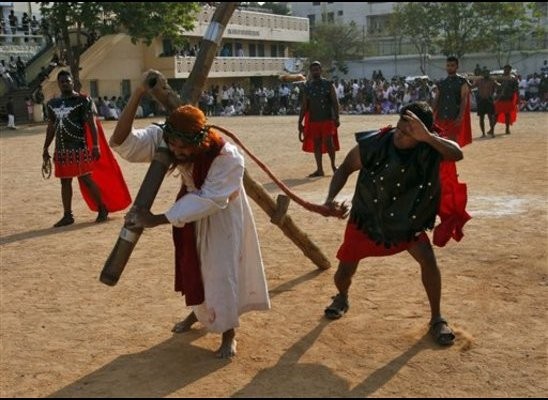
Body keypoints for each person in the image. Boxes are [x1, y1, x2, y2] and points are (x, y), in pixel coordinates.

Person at [109, 75, 271, 359]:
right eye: (174, 147)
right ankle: (198, 314)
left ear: (201, 140)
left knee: (221, 271)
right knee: (192, 266)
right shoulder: (166, 137)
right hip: (187, 212)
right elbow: (122, 142)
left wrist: (157, 219)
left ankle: (228, 333)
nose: (179, 152)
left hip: (222, 217)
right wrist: (136, 94)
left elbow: (210, 200)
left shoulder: (228, 157)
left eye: (185, 149)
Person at [322, 101, 464, 346]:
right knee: (344, 271)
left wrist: (428, 137)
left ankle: (437, 318)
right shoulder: (375, 144)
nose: (400, 135)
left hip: (406, 220)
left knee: (428, 260)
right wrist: (330, 199)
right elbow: (345, 168)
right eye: (400, 127)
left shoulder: (429, 147)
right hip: (367, 217)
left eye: (409, 132)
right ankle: (342, 296)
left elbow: (457, 153)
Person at [42, 70, 131, 227]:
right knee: (64, 182)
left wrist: (96, 145)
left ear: (72, 82)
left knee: (86, 179)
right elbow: (51, 127)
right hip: (62, 149)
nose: (65, 83)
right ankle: (68, 215)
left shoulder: (83, 100)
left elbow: (92, 124)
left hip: (79, 147)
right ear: (59, 84)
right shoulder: (52, 104)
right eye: (62, 82)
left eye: (67, 81)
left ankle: (102, 208)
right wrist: (45, 148)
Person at [298, 61, 340, 177]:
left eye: (317, 69)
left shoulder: (328, 84)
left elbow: (335, 102)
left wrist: (337, 117)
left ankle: (333, 166)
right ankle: (319, 169)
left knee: (329, 142)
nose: (315, 72)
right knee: (316, 144)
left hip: (327, 118)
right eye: (313, 70)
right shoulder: (308, 87)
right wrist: (299, 121)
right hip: (314, 120)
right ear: (311, 72)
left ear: (321, 70)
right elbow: (304, 105)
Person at [432, 56, 472, 147]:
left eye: (452, 65)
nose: (450, 67)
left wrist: (460, 116)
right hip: (441, 117)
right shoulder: (441, 83)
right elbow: (436, 99)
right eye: (448, 65)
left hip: (454, 117)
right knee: (440, 142)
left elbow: (464, 99)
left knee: (452, 143)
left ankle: (451, 161)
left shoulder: (462, 82)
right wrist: (431, 112)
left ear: (457, 67)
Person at [472, 70, 500, 137]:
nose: (486, 74)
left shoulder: (492, 80)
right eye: (484, 73)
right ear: (482, 74)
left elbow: (499, 86)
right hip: (481, 100)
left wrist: (505, 81)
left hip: (489, 100)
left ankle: (492, 132)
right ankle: (483, 133)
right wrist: (466, 81)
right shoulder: (479, 81)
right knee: (481, 118)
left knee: (491, 117)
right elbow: (472, 86)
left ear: (489, 74)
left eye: (487, 73)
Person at [494, 64, 519, 135]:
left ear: (510, 70)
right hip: (500, 98)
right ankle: (492, 128)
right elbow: (496, 86)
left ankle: (507, 129)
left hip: (508, 98)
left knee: (507, 115)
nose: (506, 70)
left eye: (508, 69)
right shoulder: (500, 78)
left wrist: (517, 98)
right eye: (505, 69)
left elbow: (516, 89)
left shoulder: (513, 79)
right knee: (496, 114)